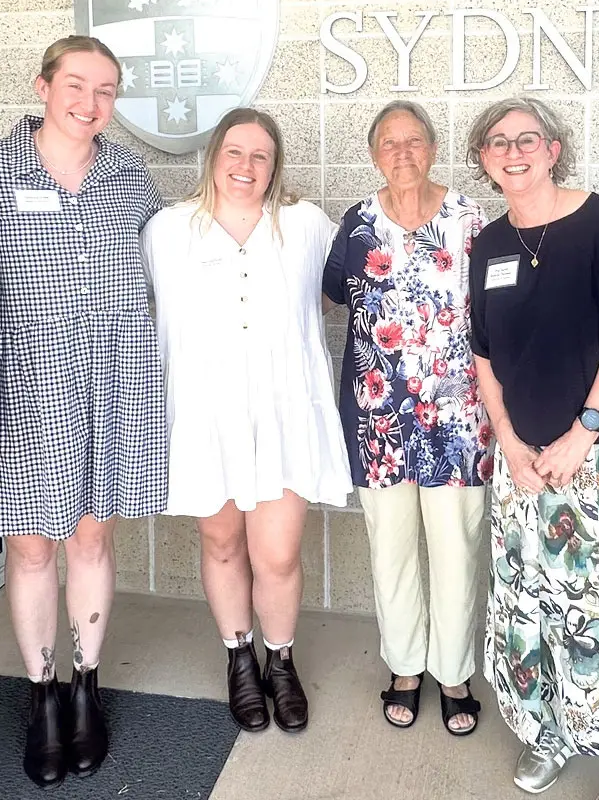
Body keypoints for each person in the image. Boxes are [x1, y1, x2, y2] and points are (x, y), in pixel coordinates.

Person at [0, 35, 167, 785]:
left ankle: (86, 686)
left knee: (89, 541)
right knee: (31, 548)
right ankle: (40, 695)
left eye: (106, 90)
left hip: (112, 380)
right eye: (75, 85)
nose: (89, 103)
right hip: (21, 384)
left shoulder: (131, 177)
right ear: (43, 85)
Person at [467, 96, 599, 799]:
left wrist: (579, 433)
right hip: (520, 460)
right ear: (483, 160)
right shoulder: (489, 245)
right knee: (528, 598)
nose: (512, 151)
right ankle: (548, 731)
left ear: (554, 148)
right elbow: (484, 359)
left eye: (526, 138)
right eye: (496, 142)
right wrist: (510, 444)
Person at [142, 107, 350, 734]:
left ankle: (279, 661)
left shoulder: (307, 225)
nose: (246, 166)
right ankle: (239, 657)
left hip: (285, 414)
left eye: (260, 155)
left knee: (278, 554)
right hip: (207, 416)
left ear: (275, 165)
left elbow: (366, 284)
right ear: (213, 157)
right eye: (234, 152)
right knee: (222, 541)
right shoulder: (168, 229)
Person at [321, 100, 489, 735]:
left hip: (459, 419)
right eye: (389, 144)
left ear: (433, 149)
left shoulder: (471, 219)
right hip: (377, 421)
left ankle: (453, 671)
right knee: (390, 548)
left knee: (456, 546)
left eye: (413, 141)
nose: (402, 154)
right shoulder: (358, 223)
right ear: (373, 155)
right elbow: (335, 292)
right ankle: (405, 667)